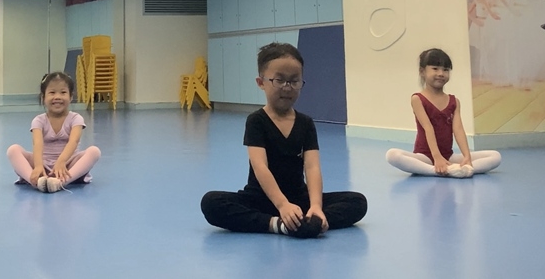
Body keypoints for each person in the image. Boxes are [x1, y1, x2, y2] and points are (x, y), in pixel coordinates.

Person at [201, 43, 367, 238]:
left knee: (358, 202)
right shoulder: (256, 121)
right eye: (279, 80)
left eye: (294, 81)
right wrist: (282, 205)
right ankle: (277, 224)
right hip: (261, 199)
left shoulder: (305, 123)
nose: (287, 87)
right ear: (261, 82)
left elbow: (312, 167)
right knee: (211, 202)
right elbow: (260, 166)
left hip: (298, 200)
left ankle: (311, 219)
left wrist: (315, 205)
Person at [386, 48, 502, 177]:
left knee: (495, 156)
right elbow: (428, 128)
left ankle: (453, 168)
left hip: (448, 157)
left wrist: (467, 156)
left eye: (445, 70)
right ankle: (439, 171)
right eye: (435, 69)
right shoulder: (418, 99)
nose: (441, 73)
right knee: (392, 155)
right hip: (425, 157)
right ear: (422, 71)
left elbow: (458, 130)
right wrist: (437, 157)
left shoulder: (454, 102)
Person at [6, 72, 101, 193]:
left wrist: (61, 162)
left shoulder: (76, 119)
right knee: (13, 150)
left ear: (71, 97)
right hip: (43, 165)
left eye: (63, 92)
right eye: (52, 92)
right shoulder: (39, 121)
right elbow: (37, 143)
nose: (57, 97)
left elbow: (74, 141)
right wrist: (38, 165)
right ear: (43, 97)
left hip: (68, 165)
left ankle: (60, 182)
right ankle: (36, 181)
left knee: (94, 151)